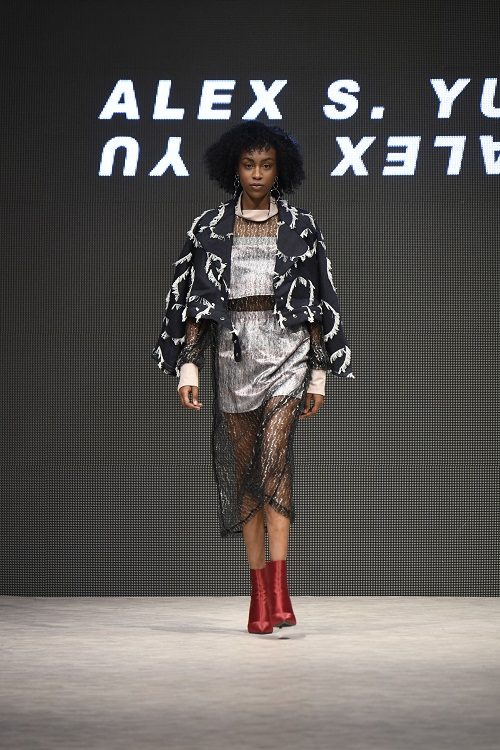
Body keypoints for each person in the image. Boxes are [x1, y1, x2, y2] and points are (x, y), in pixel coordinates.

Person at [151, 122, 354, 634]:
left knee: (273, 463)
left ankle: (281, 589)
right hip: (234, 356)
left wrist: (319, 375)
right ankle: (259, 595)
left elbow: (318, 302)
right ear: (234, 169)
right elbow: (194, 301)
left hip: (288, 351)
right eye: (248, 165)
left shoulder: (301, 226)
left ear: (280, 169)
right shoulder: (210, 227)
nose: (258, 174)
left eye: (266, 165)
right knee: (246, 474)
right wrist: (189, 364)